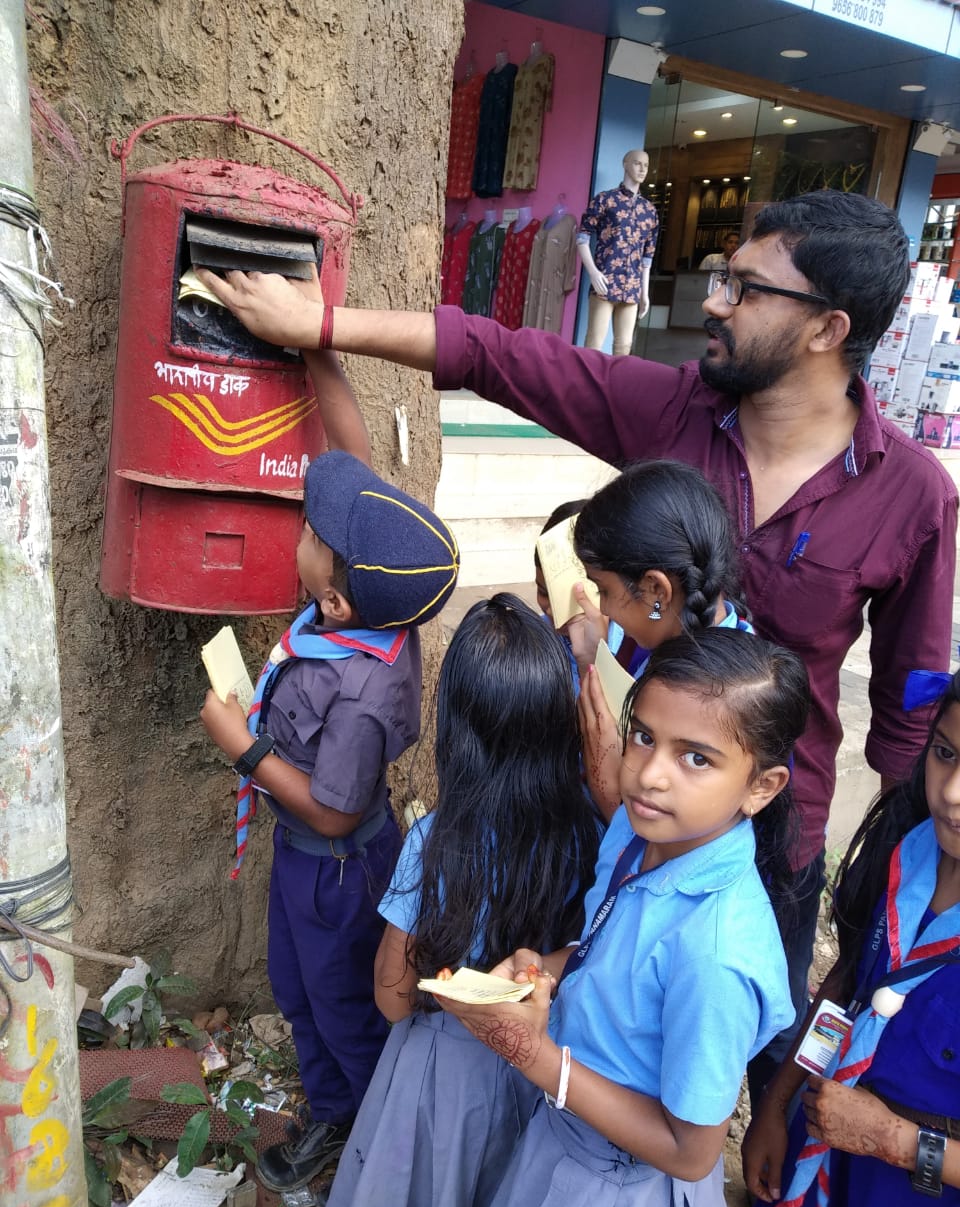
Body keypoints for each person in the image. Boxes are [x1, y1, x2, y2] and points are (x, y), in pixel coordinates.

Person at [194, 188, 958, 1102]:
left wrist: (908, 877)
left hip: (772, 836)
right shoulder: (676, 411)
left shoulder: (913, 495)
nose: (714, 302)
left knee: (750, 1049)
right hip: (622, 804)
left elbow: (909, 715)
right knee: (595, 1002)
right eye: (723, 278)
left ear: (828, 328)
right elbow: (505, 357)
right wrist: (320, 325)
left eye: (746, 288)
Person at [430, 628, 805, 1207]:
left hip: (621, 1199)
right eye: (643, 736)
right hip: (563, 1139)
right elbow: (609, 947)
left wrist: (534, 1055)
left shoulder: (716, 956)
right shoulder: (638, 833)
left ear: (761, 787)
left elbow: (691, 1152)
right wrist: (543, 969)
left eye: (696, 759)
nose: (650, 774)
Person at [199, 356, 460, 1192]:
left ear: (339, 602)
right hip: (303, 865)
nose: (305, 531)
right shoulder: (374, 597)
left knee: (343, 1007)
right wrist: (317, 351)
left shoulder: (361, 692)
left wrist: (244, 750)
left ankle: (371, 1142)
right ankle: (332, 1107)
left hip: (337, 873)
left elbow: (337, 812)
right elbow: (352, 462)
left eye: (314, 533)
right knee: (295, 986)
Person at [320, 594, 600, 1207]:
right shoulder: (591, 832)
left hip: (440, 1078)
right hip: (534, 1065)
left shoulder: (435, 843)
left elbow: (392, 998)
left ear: (456, 730)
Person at [742, 665, 960, 1207]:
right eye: (945, 753)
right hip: (829, 1154)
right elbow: (846, 993)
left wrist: (895, 1141)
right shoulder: (906, 845)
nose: (951, 792)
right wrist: (777, 1103)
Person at [571, 459, 753, 822]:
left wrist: (603, 777)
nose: (602, 607)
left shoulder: (731, 698)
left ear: (656, 590)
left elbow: (651, 832)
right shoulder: (658, 640)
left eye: (604, 590)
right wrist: (592, 658)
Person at [533, 498, 625, 697]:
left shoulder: (634, 649)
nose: (551, 610)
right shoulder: (532, 641)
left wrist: (594, 662)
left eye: (567, 599)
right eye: (543, 592)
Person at [576, 148, 659, 353]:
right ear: (625, 164)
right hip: (605, 283)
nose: (642, 169)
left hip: (632, 288)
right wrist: (593, 272)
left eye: (646, 165)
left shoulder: (649, 211)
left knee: (624, 348)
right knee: (594, 344)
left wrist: (644, 293)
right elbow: (582, 238)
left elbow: (647, 257)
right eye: (637, 163)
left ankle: (617, 378)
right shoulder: (605, 200)